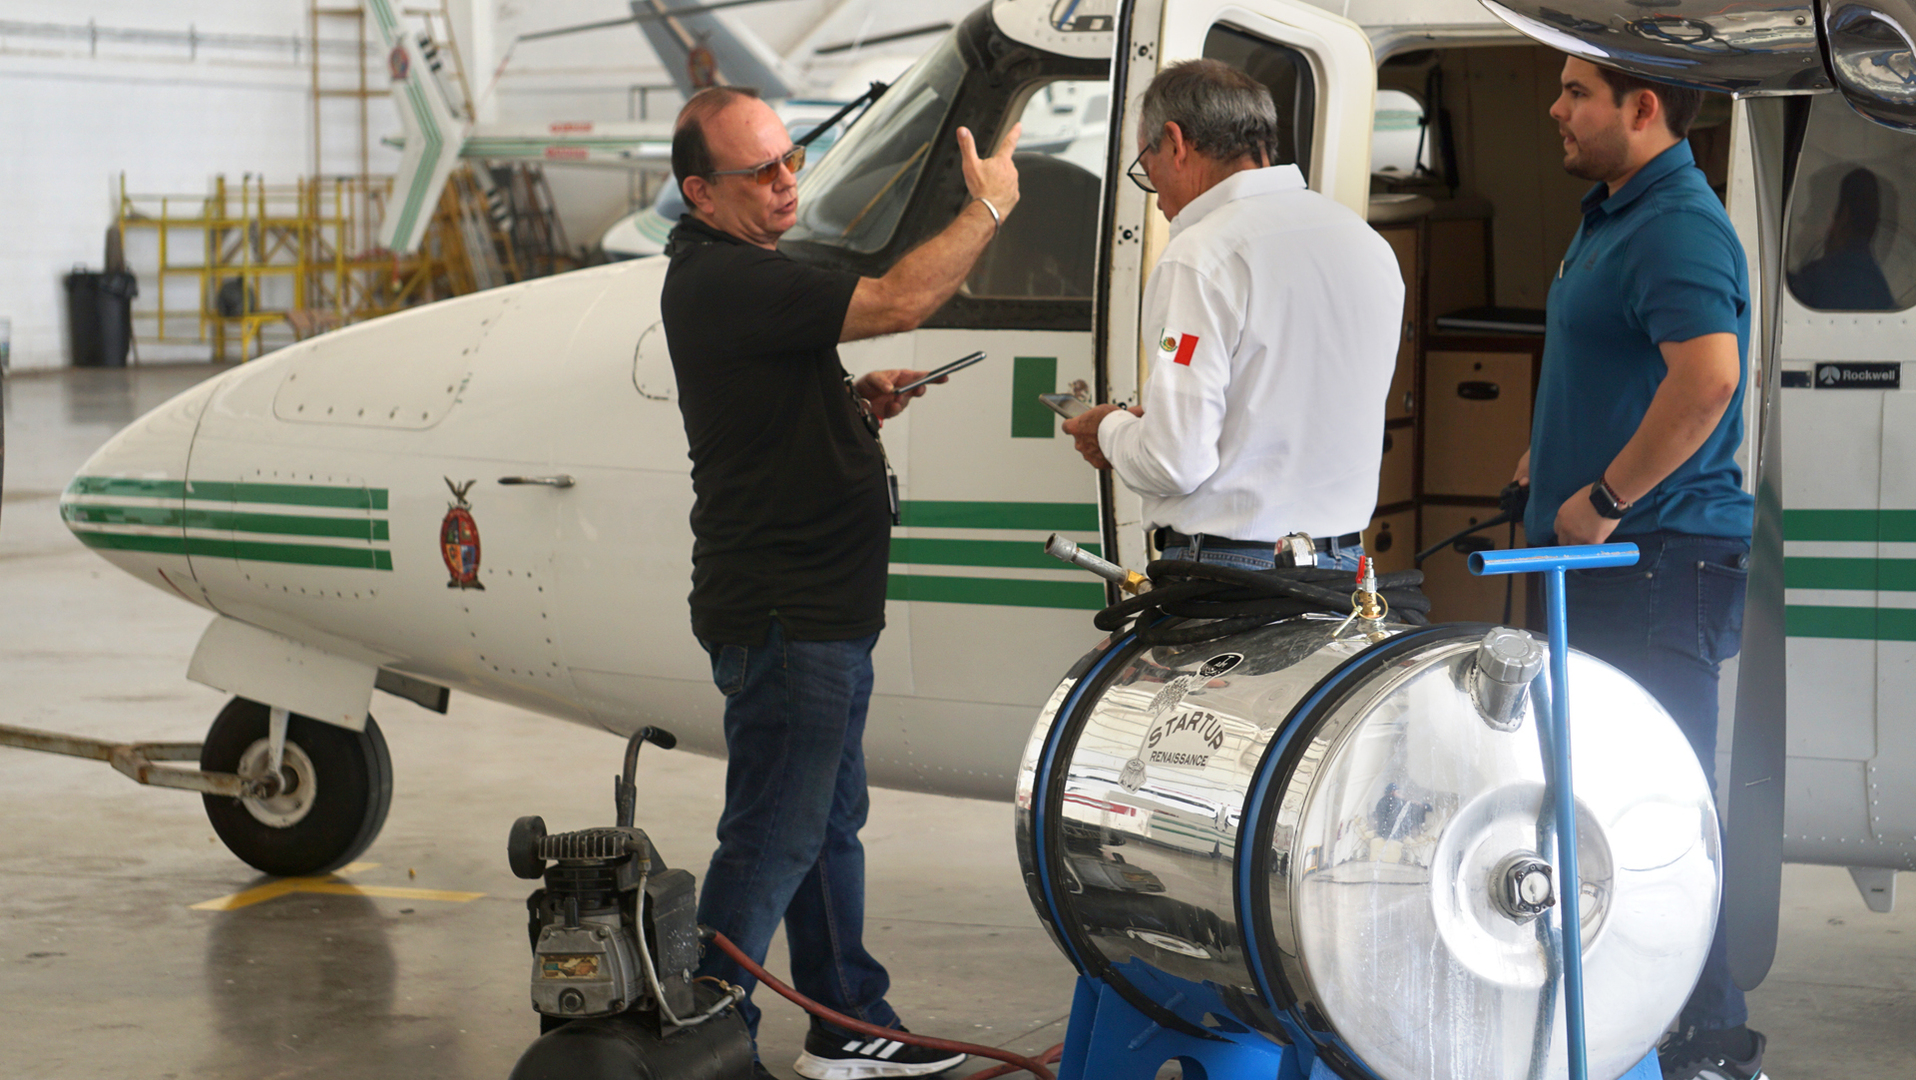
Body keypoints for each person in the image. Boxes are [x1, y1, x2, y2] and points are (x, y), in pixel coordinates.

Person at [658, 86, 1021, 1080]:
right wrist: (985, 206)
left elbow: (769, 410)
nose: (786, 183)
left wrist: (849, 404)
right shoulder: (723, 280)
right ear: (698, 192)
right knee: (775, 833)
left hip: (819, 611)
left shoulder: (744, 275)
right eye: (759, 173)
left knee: (820, 826)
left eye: (790, 160)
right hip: (788, 614)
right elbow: (901, 298)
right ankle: (700, 1040)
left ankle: (846, 1017)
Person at [1515, 56, 1763, 1080]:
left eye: (1574, 92)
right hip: (1608, 556)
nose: (1554, 107)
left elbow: (1705, 379)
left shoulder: (1673, 222)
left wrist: (1606, 494)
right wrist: (1548, 458)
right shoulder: (1614, 209)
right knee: (1596, 805)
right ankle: (1632, 1018)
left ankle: (1708, 1041)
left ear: (1642, 108)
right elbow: (1619, 362)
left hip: (1653, 559)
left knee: (1654, 814)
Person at [1061, 59, 1403, 573]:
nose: (1155, 200)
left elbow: (1172, 462)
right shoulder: (1364, 241)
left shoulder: (1202, 255)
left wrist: (1109, 429)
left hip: (1230, 574)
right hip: (1344, 570)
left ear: (1175, 143)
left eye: (1146, 167)